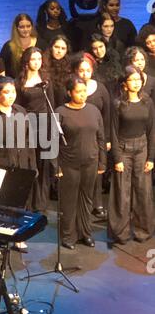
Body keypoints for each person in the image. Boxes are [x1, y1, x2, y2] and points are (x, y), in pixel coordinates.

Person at [0, 77, 37, 256]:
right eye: (6, 92)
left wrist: (32, 165)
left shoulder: (21, 111)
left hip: (20, 164)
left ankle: (17, 237)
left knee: (19, 203)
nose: (11, 96)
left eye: (13, 92)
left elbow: (28, 140)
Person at [55, 77, 106, 250]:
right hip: (68, 163)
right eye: (78, 91)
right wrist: (56, 166)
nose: (82, 95)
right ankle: (69, 236)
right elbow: (52, 141)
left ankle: (85, 233)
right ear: (69, 93)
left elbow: (101, 138)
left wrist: (102, 163)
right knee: (69, 201)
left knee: (87, 199)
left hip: (90, 162)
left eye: (84, 91)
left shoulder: (93, 110)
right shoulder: (60, 112)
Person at [109, 66, 155, 245]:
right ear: (125, 84)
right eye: (132, 80)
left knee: (143, 190)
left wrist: (151, 157)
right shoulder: (118, 104)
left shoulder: (147, 102)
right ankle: (120, 232)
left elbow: (152, 130)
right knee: (122, 192)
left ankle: (143, 230)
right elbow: (112, 131)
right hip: (123, 148)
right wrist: (117, 158)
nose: (136, 83)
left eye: (138, 80)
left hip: (142, 148)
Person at [72, 52, 110, 219]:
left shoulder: (100, 88)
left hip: (97, 134)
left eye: (87, 70)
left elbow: (108, 114)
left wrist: (107, 138)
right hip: (78, 135)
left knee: (97, 170)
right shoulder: (72, 88)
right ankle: (79, 204)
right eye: (81, 70)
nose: (84, 73)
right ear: (76, 71)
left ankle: (97, 202)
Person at [16, 47, 54, 211]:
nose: (37, 62)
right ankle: (29, 201)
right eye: (33, 59)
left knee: (43, 163)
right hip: (27, 124)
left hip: (44, 124)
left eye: (39, 59)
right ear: (26, 61)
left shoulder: (46, 80)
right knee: (30, 162)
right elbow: (17, 106)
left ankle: (41, 202)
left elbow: (51, 102)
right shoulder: (19, 82)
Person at [0, 14, 47, 78]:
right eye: (22, 27)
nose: (25, 29)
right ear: (16, 28)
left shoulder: (41, 44)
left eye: (28, 26)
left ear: (32, 27)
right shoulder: (8, 46)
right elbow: (1, 66)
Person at [42, 34, 72, 108]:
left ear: (66, 50)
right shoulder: (42, 63)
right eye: (56, 47)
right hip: (45, 106)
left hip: (63, 106)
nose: (59, 51)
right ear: (51, 47)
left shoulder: (70, 66)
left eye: (63, 48)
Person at [88, 33, 122, 98]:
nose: (99, 51)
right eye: (95, 48)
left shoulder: (114, 58)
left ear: (105, 46)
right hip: (98, 96)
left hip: (115, 95)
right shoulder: (90, 64)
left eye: (101, 47)